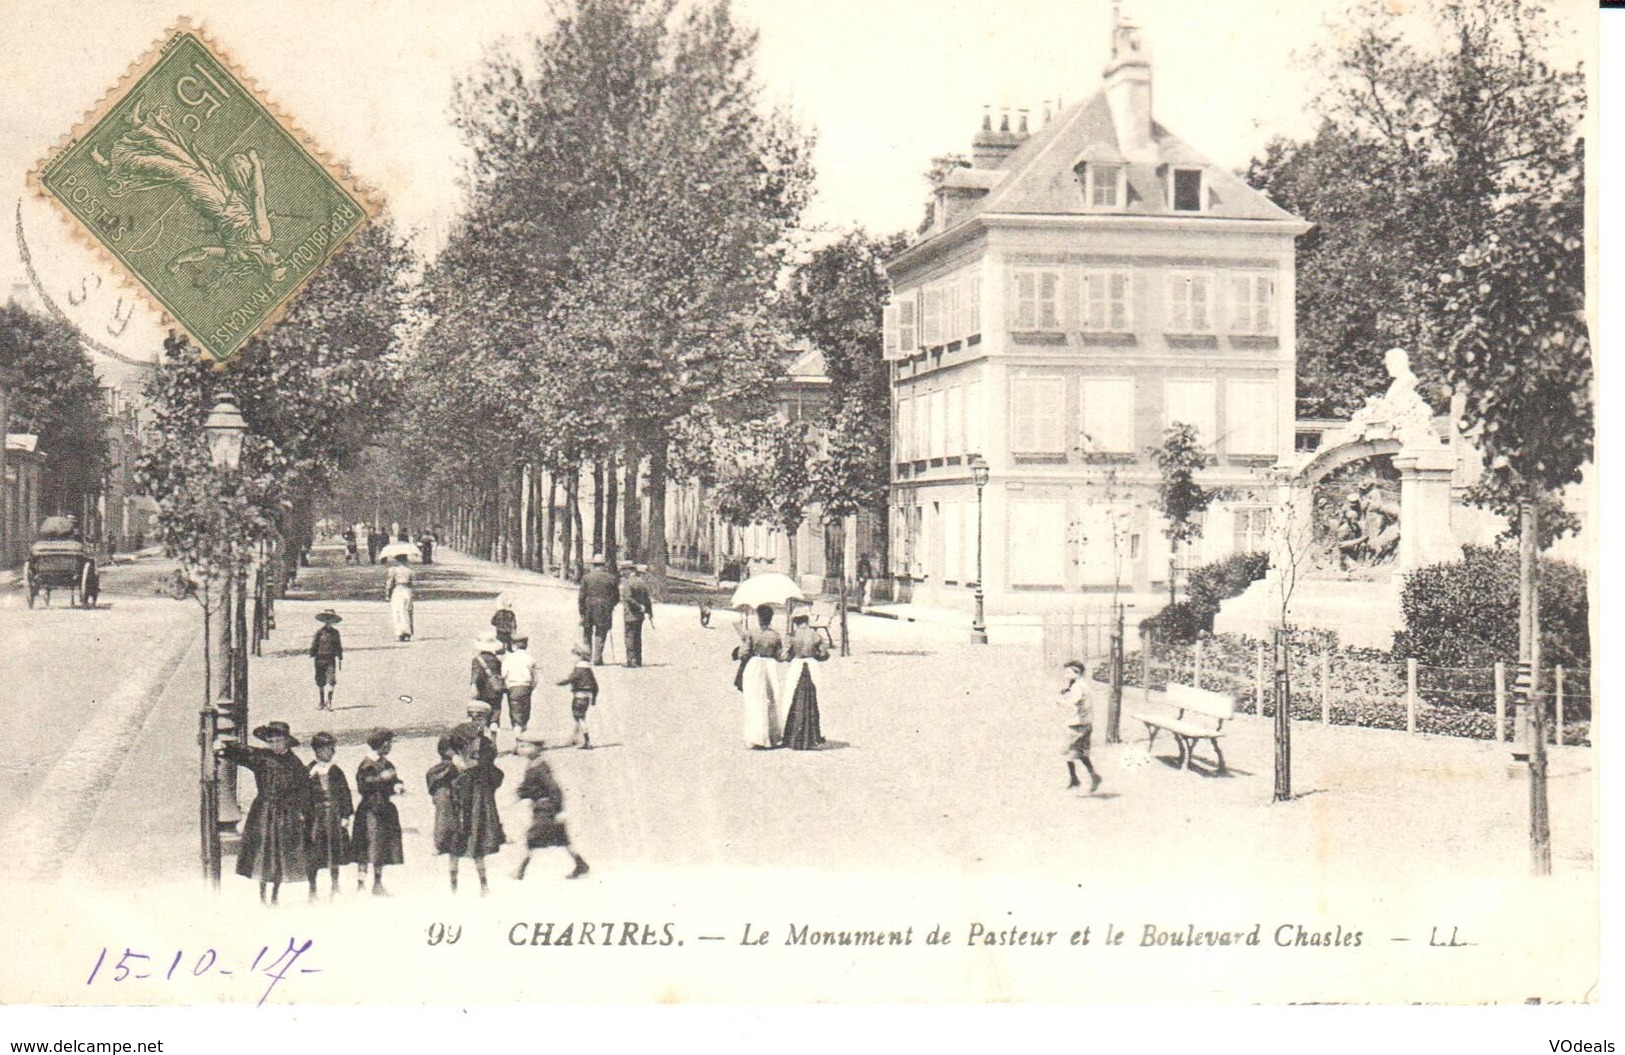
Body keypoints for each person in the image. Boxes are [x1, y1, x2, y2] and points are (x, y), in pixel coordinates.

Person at [216, 720, 312, 906]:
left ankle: (275, 895)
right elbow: (243, 753)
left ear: (286, 741)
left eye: (278, 741)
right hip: (263, 812)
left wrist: (301, 812)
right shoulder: (262, 757)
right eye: (271, 741)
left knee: (280, 854)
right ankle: (262, 896)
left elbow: (303, 789)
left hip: (285, 813)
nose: (274, 745)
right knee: (263, 851)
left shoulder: (295, 763)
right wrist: (223, 747)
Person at [513, 730, 590, 881]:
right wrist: (521, 793)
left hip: (546, 808)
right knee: (562, 839)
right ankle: (581, 865)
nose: (521, 749)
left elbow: (554, 788)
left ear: (537, 748)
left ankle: (520, 870)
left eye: (525, 746)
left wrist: (559, 810)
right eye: (520, 746)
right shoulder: (533, 764)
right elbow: (530, 786)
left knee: (532, 838)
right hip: (543, 807)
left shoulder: (540, 767)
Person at [449, 720, 506, 895]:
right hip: (463, 807)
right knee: (458, 845)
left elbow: (495, 775)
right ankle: (454, 887)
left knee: (476, 843)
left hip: (477, 806)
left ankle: (482, 885)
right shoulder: (455, 764)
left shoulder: (482, 762)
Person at [351, 729, 405, 896]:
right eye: (389, 743)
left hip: (384, 809)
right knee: (366, 847)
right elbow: (363, 785)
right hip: (369, 810)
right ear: (383, 744)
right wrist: (383, 779)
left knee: (380, 847)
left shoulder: (386, 763)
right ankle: (360, 884)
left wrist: (397, 785)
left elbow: (394, 779)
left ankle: (377, 883)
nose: (390, 746)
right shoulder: (367, 764)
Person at [306, 732, 353, 900]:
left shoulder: (336, 771)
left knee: (334, 851)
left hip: (333, 816)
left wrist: (346, 815)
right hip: (316, 818)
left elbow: (345, 793)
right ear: (317, 750)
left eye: (332, 749)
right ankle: (312, 889)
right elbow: (303, 795)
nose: (331, 752)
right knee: (314, 853)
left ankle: (335, 886)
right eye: (327, 749)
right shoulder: (309, 770)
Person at [735, 604, 785, 749]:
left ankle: (756, 736)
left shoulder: (752, 634)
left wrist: (743, 642)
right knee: (771, 700)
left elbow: (742, 654)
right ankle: (772, 736)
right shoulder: (775, 635)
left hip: (755, 665)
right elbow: (780, 656)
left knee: (755, 700)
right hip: (770, 666)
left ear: (758, 618)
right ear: (771, 618)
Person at [780, 610, 830, 750]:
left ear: (795, 621)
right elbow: (824, 654)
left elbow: (784, 656)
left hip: (796, 664)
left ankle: (792, 734)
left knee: (791, 698)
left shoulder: (791, 636)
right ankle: (813, 734)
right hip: (812, 665)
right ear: (807, 620)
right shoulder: (815, 635)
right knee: (815, 698)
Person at [1060, 660, 1103, 794]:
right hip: (1085, 723)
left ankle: (1082, 778)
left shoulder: (1078, 687)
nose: (1065, 674)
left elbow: (1072, 702)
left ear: (1076, 673)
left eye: (1068, 672)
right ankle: (1081, 778)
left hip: (1077, 724)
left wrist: (1061, 699)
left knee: (1067, 751)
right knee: (1080, 753)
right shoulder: (1080, 684)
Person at [426, 735, 461, 889]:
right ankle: (441, 843)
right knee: (444, 817)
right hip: (446, 796)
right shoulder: (444, 767)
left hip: (451, 796)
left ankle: (445, 842)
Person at [577, 555, 619, 665]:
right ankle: (597, 658)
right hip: (604, 609)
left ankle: (587, 656)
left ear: (593, 565)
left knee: (587, 632)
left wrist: (581, 612)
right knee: (601, 632)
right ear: (604, 565)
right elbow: (616, 597)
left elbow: (581, 597)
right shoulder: (611, 578)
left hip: (588, 608)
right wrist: (610, 606)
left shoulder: (586, 578)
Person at [557, 645, 599, 749]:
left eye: (574, 655)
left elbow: (571, 679)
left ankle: (587, 740)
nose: (572, 658)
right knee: (577, 717)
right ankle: (575, 738)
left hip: (579, 696)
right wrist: (594, 698)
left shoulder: (579, 669)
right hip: (586, 697)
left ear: (580, 656)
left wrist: (560, 682)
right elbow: (595, 685)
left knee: (580, 718)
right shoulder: (588, 670)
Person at [500, 635, 538, 733]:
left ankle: (518, 741)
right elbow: (535, 678)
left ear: (514, 646)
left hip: (513, 688)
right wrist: (530, 688)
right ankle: (522, 734)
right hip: (526, 688)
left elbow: (503, 674)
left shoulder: (508, 658)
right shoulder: (530, 659)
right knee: (525, 715)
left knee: (515, 714)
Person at [620, 563, 653, 668]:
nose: (622, 573)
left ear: (628, 570)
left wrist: (638, 606)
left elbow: (628, 598)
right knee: (637, 637)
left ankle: (631, 661)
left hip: (630, 614)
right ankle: (638, 660)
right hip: (640, 616)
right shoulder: (641, 582)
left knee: (629, 637)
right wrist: (649, 612)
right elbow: (647, 599)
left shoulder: (628, 583)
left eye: (623, 570)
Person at [309, 610, 343, 711]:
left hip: (330, 659)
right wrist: (312, 653)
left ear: (333, 621)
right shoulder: (319, 632)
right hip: (319, 659)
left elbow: (338, 645)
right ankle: (321, 701)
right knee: (320, 681)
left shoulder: (336, 633)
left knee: (331, 681)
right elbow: (314, 644)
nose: (328, 622)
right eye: (326, 619)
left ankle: (329, 702)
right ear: (324, 620)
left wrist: (340, 656)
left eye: (330, 619)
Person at [470, 633, 506, 725]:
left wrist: (473, 687)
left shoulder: (477, 660)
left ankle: (482, 737)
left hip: (483, 692)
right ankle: (494, 735)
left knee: (481, 716)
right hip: (496, 691)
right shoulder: (497, 660)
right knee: (495, 716)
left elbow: (475, 675)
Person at [386, 554, 414, 642]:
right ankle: (408, 632)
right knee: (407, 610)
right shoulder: (409, 571)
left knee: (398, 611)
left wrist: (388, 594)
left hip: (398, 590)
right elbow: (411, 583)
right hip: (407, 590)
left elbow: (389, 583)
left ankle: (400, 632)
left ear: (397, 560)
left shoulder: (393, 570)